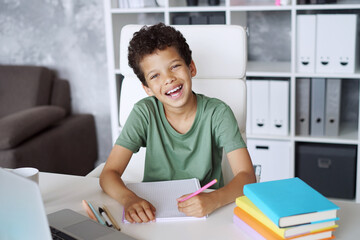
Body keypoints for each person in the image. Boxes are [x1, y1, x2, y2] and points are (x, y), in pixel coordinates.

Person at [99, 23, 256, 223]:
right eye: (155, 76)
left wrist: (213, 199)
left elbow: (247, 176)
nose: (169, 79)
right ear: (147, 88)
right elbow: (108, 174)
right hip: (152, 213)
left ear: (191, 67)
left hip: (204, 214)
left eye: (175, 66)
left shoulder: (218, 113)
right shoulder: (144, 113)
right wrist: (129, 199)